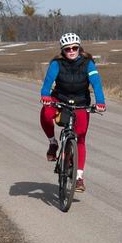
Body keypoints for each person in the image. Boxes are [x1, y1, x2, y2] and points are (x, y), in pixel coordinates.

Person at [40, 33, 106, 193]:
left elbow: (96, 83)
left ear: (79, 48)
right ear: (63, 50)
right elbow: (48, 82)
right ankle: (53, 143)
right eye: (67, 49)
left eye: (74, 48)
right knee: (46, 114)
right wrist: (45, 95)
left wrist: (100, 101)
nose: (71, 51)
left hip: (80, 102)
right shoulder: (57, 63)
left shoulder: (88, 63)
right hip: (59, 99)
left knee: (81, 136)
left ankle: (78, 178)